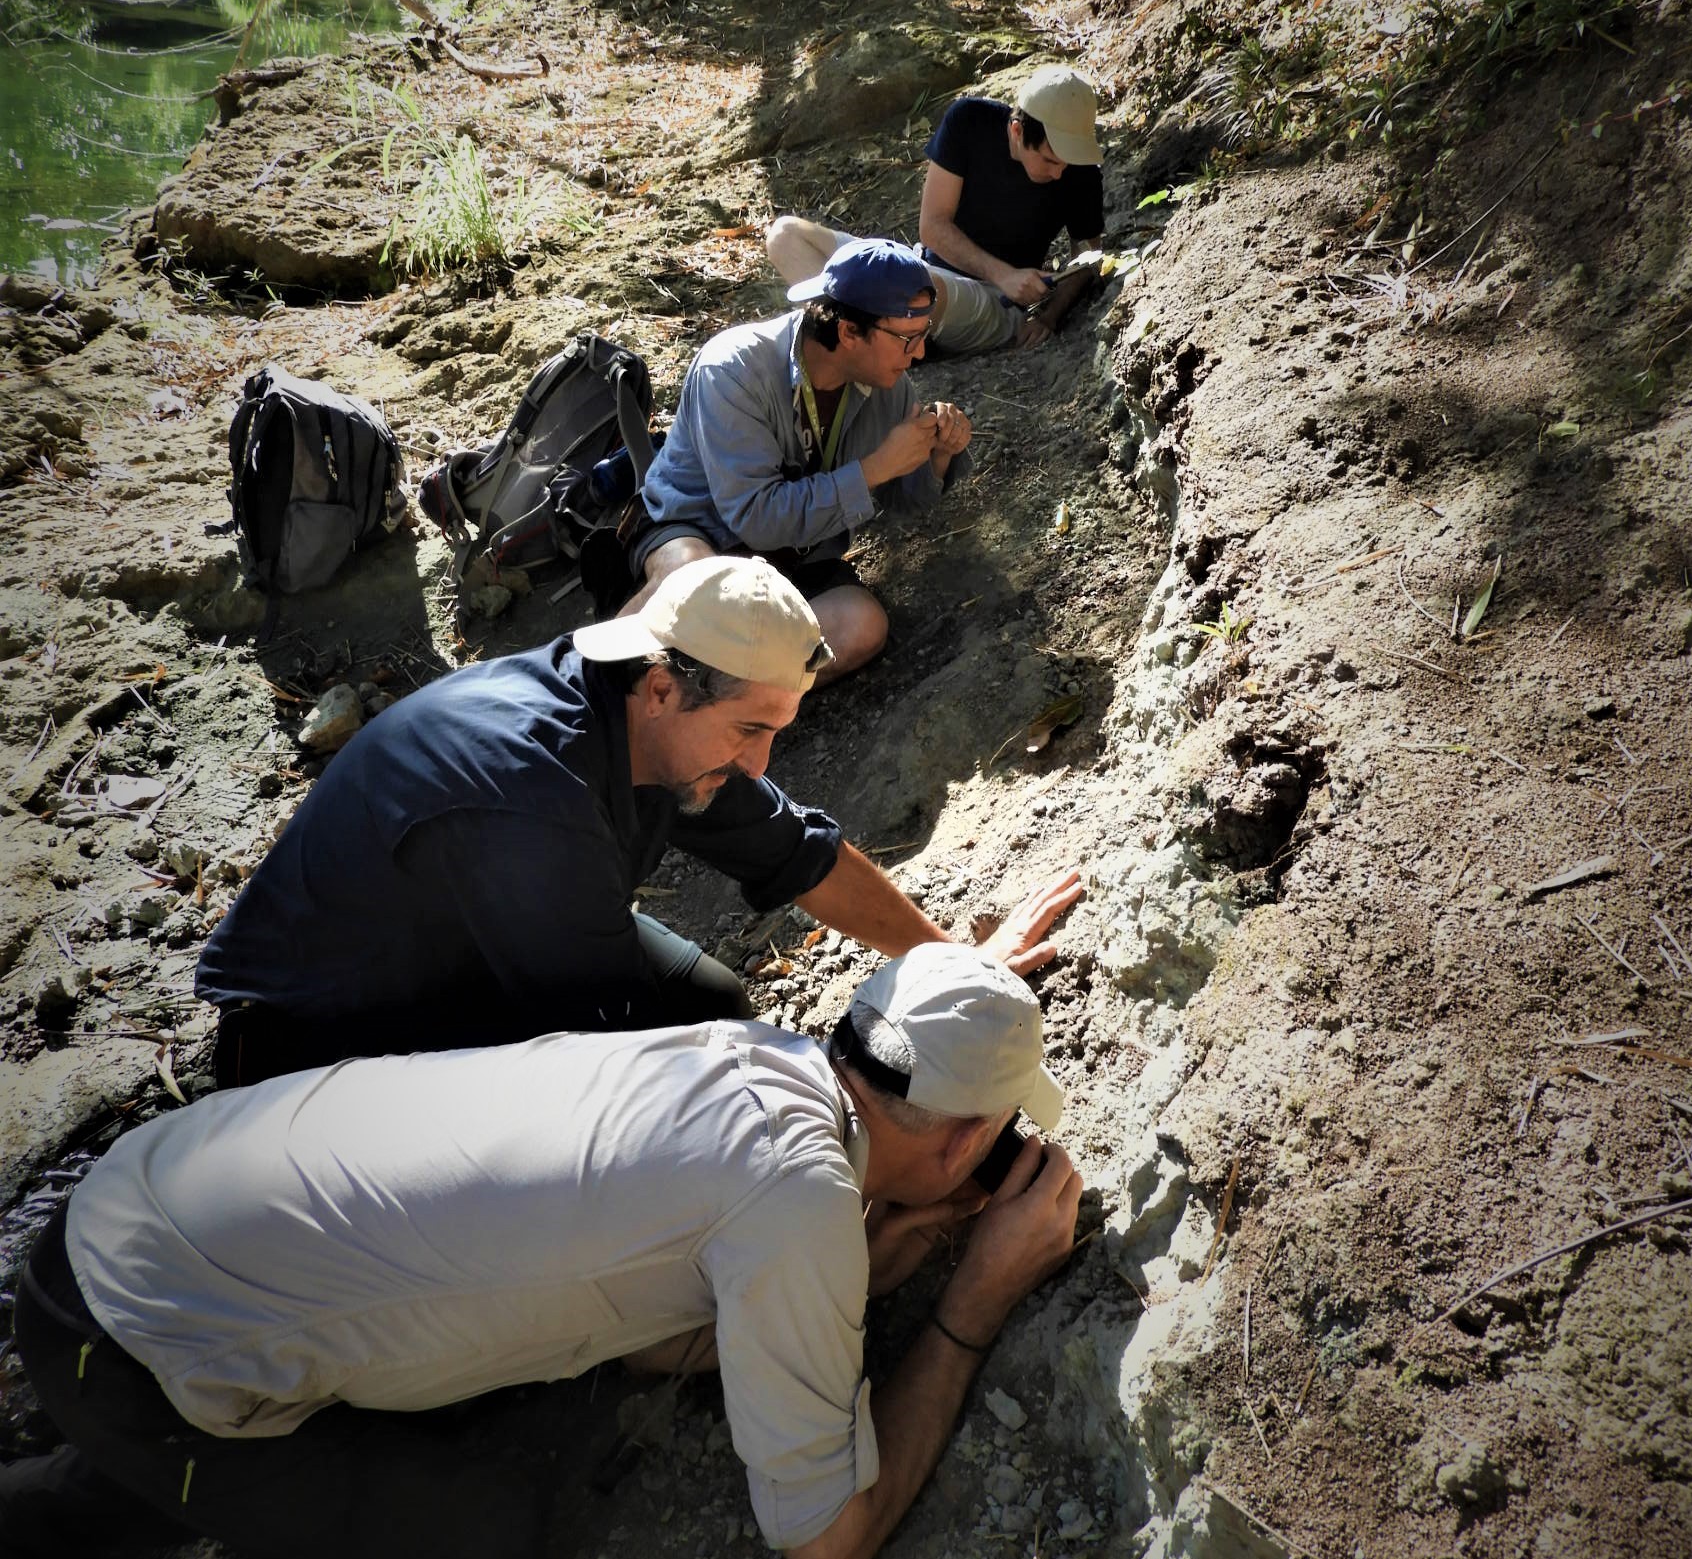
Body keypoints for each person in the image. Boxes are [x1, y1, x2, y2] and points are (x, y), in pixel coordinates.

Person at [0, 945, 1083, 1559]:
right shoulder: (792, 1196)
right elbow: (828, 1545)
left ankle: (37, 1514)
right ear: (956, 1140)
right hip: (137, 1354)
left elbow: (656, 1330)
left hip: (127, 1230)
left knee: (312, 1392)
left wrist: (851, 1268)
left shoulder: (748, 1057)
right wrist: (974, 1300)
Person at [196, 554, 1078, 1086]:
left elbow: (800, 853)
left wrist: (952, 969)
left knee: (718, 1009)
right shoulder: (529, 797)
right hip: (318, 1036)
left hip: (487, 936)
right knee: (680, 1099)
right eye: (749, 731)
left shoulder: (657, 719)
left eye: (776, 731)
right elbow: (607, 1060)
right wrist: (867, 1090)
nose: (759, 763)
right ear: (663, 685)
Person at [624, 239, 973, 682]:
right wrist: (875, 468)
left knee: (861, 626)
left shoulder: (890, 386)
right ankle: (597, 683)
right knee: (689, 578)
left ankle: (713, 698)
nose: (920, 353)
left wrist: (936, 456)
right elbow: (753, 516)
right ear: (849, 331)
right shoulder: (733, 370)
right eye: (908, 338)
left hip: (793, 559)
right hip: (700, 532)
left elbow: (906, 504)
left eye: (924, 336)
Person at [765, 63, 1104, 356]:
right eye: (1048, 159)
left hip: (992, 304)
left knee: (913, 285)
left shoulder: (1080, 169)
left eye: (1066, 162)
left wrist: (1047, 316)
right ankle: (865, 344)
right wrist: (1002, 272)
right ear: (1017, 130)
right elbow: (932, 227)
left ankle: (862, 342)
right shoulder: (969, 121)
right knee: (785, 236)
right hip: (927, 269)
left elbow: (1088, 259)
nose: (1059, 172)